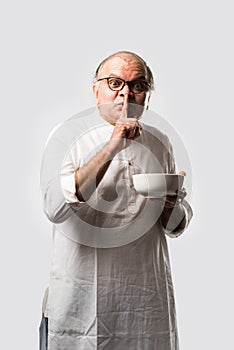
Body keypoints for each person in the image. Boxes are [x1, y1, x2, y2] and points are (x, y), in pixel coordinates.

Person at [39, 51, 193, 350]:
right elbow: (54, 207)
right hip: (81, 302)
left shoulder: (160, 141)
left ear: (147, 95)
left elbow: (175, 227)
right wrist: (113, 144)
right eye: (114, 82)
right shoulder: (66, 136)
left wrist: (172, 202)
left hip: (146, 304)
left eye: (138, 85)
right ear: (96, 91)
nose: (126, 92)